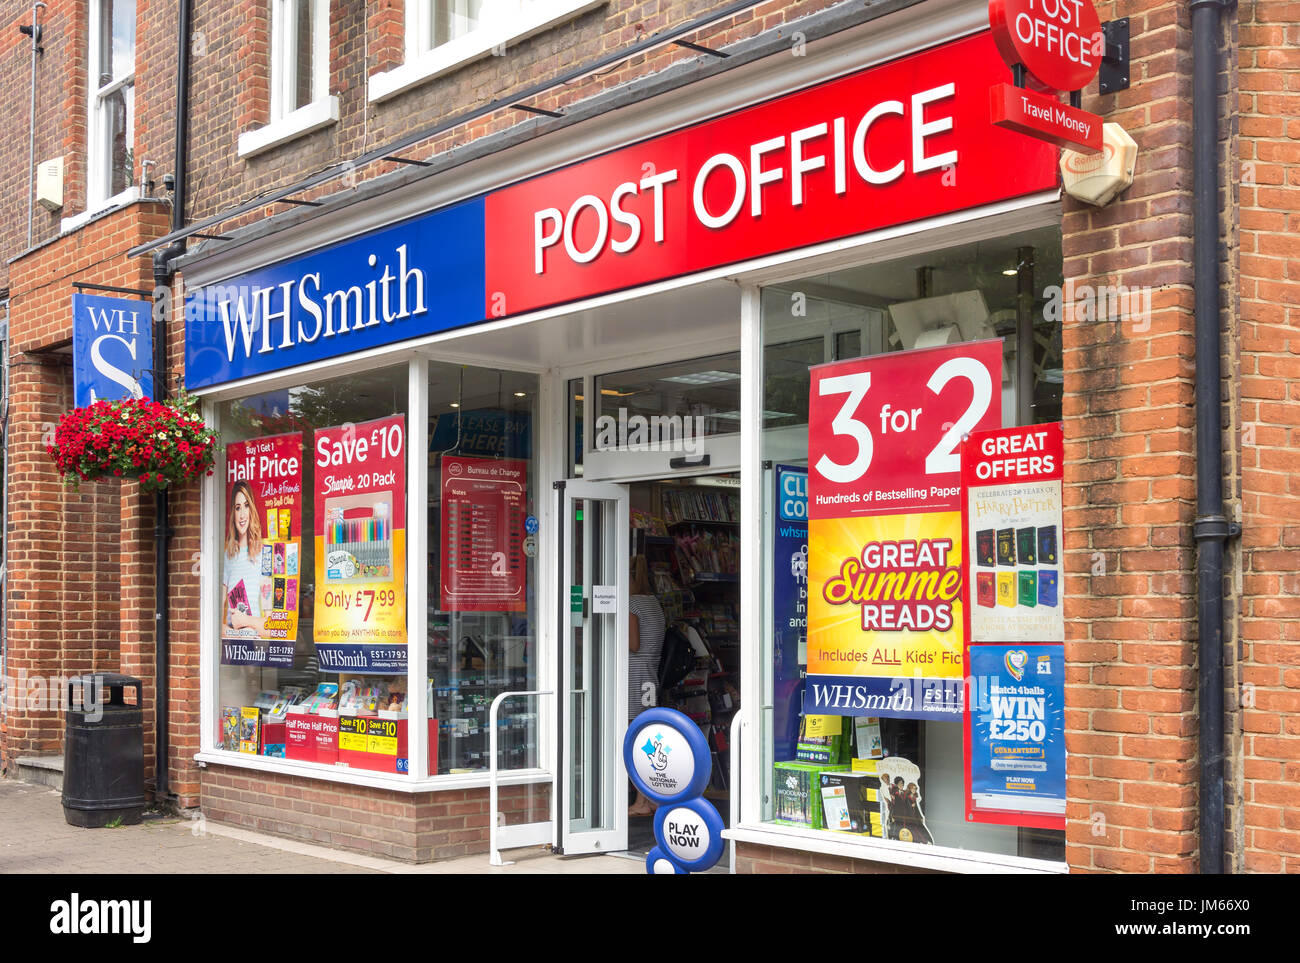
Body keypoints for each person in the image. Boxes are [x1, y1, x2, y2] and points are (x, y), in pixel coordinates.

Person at [627, 554, 666, 817]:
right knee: (646, 737)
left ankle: (641, 801)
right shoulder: (654, 603)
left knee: (631, 738)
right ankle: (651, 797)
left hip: (633, 675)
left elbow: (632, 643)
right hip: (650, 676)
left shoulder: (632, 604)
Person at [222, 479, 268, 636]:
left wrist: (246, 621)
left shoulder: (263, 554)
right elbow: (213, 621)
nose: (242, 515)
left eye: (246, 506)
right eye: (237, 508)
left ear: (252, 509)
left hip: (256, 648)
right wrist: (233, 633)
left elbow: (272, 629)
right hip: (231, 649)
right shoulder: (227, 556)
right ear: (232, 513)